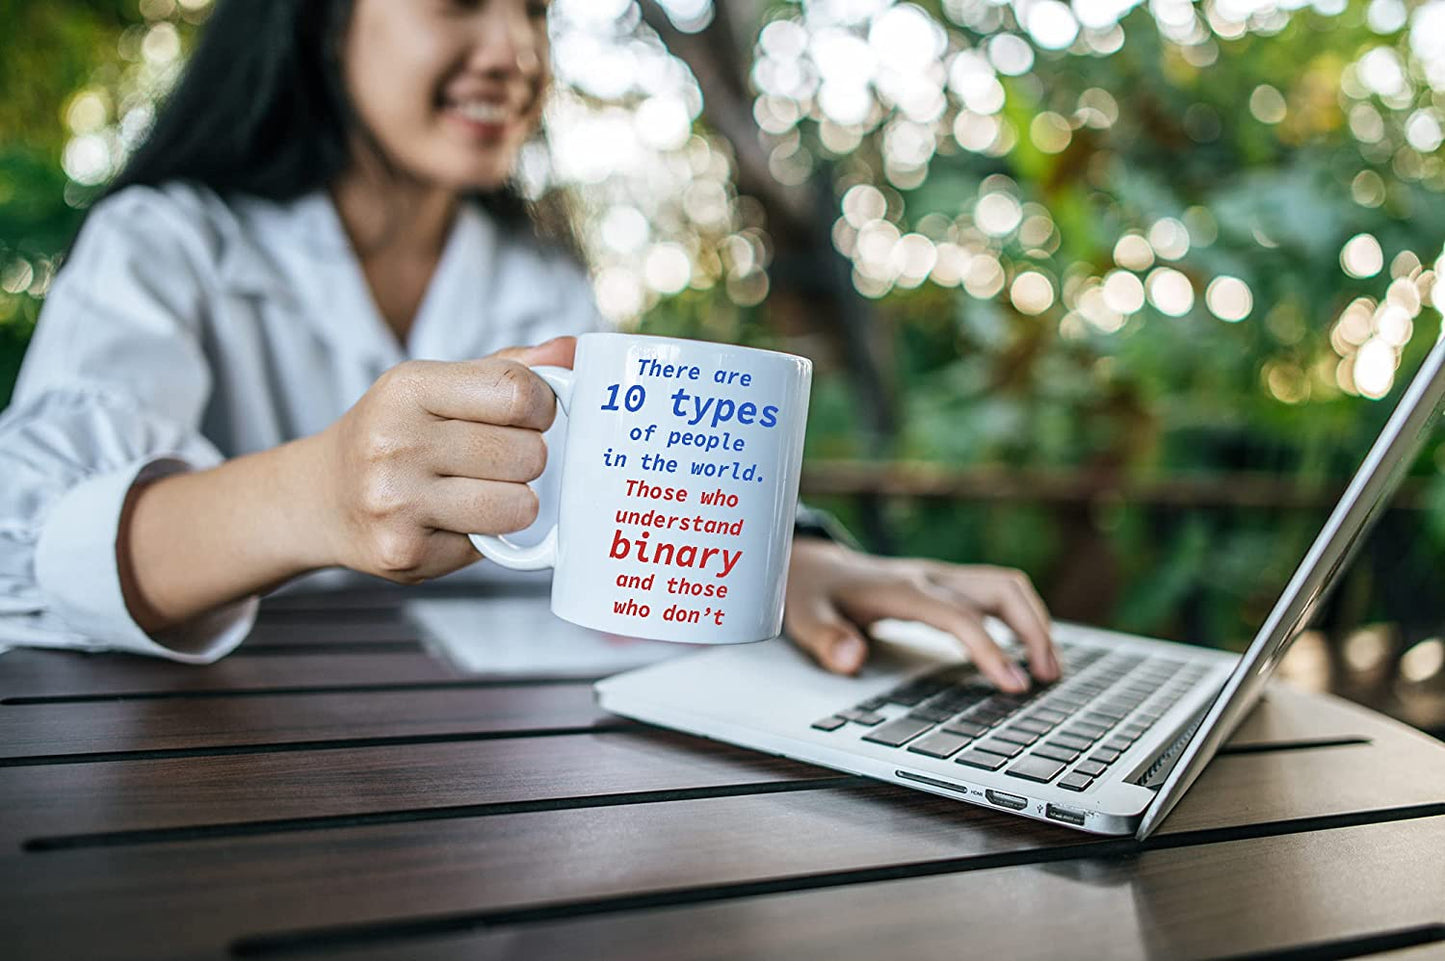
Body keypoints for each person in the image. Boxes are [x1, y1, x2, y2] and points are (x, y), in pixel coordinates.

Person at [0, 0, 1057, 693]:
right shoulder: (169, 239)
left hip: (496, 769)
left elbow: (611, 510)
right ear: (323, 22)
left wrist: (790, 560)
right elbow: (22, 545)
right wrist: (315, 494)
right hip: (194, 766)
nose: (514, 50)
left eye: (536, 10)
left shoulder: (532, 273)